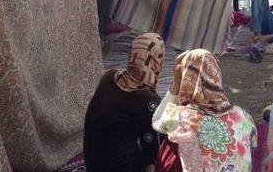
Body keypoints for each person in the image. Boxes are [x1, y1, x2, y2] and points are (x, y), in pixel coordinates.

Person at [153, 49, 256, 172]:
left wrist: (176, 82)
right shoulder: (244, 116)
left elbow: (156, 122)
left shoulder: (181, 117)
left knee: (170, 146)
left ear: (187, 78)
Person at [84, 33, 165, 172]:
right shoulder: (147, 100)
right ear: (156, 62)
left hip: (92, 164)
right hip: (121, 167)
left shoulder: (109, 77)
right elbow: (155, 152)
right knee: (164, 148)